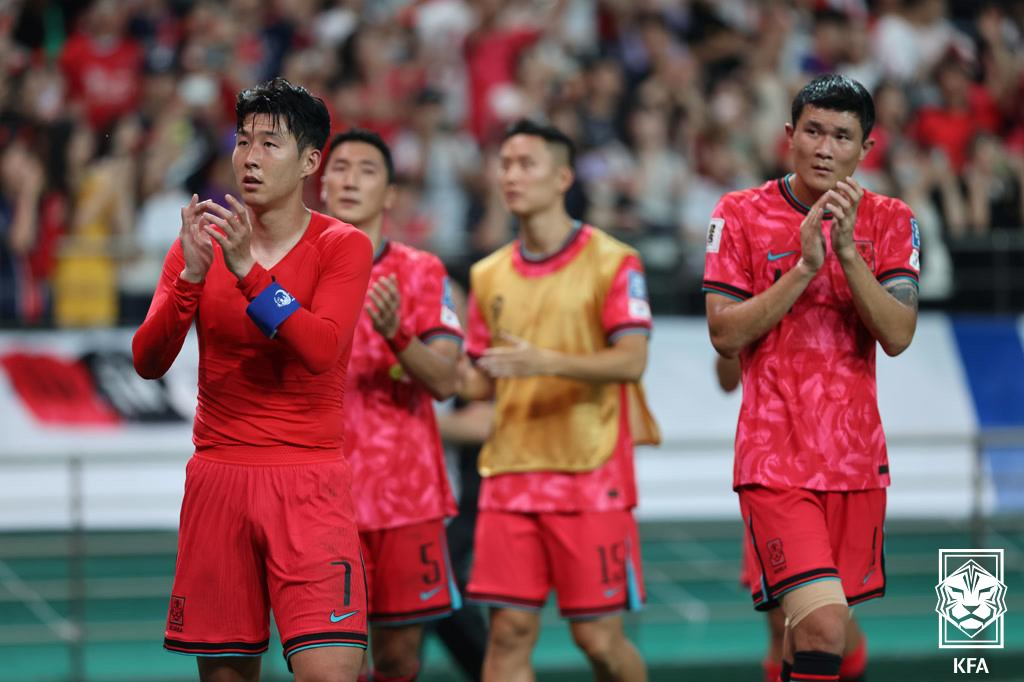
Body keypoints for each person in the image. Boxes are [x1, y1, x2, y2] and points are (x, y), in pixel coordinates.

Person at [132, 78, 373, 682]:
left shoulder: (343, 246)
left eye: (270, 144)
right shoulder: (196, 245)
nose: (250, 157)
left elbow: (320, 350)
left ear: (311, 160)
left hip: (308, 479)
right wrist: (190, 276)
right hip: (219, 478)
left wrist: (248, 274)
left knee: (334, 673)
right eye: (243, 142)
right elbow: (147, 360)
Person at [704, 74, 919, 682]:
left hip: (856, 463)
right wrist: (802, 268)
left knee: (825, 639)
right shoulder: (739, 214)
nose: (825, 147)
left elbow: (899, 335)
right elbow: (723, 334)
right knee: (816, 625)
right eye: (814, 131)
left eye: (842, 136)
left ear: (865, 148)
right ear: (789, 137)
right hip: (775, 462)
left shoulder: (892, 221)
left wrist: (849, 255)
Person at [458, 119, 660, 682]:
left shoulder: (613, 261)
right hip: (510, 475)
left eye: (526, 164)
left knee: (598, 640)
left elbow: (632, 360)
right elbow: (479, 380)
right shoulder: (487, 273)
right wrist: (426, 360)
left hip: (590, 474)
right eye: (504, 164)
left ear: (563, 177)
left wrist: (544, 361)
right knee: (507, 635)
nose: (511, 175)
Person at [320, 128, 464, 682]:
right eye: (340, 167)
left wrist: (397, 335)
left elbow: (447, 379)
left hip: (408, 498)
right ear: (321, 182)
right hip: (323, 498)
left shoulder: (422, 271)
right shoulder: (295, 268)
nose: (351, 178)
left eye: (367, 169)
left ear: (390, 195)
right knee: (335, 662)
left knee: (400, 659)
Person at [715, 356, 869, 682]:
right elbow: (726, 374)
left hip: (839, 467)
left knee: (830, 621)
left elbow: (897, 338)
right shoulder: (758, 302)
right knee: (786, 621)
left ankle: (853, 668)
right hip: (774, 470)